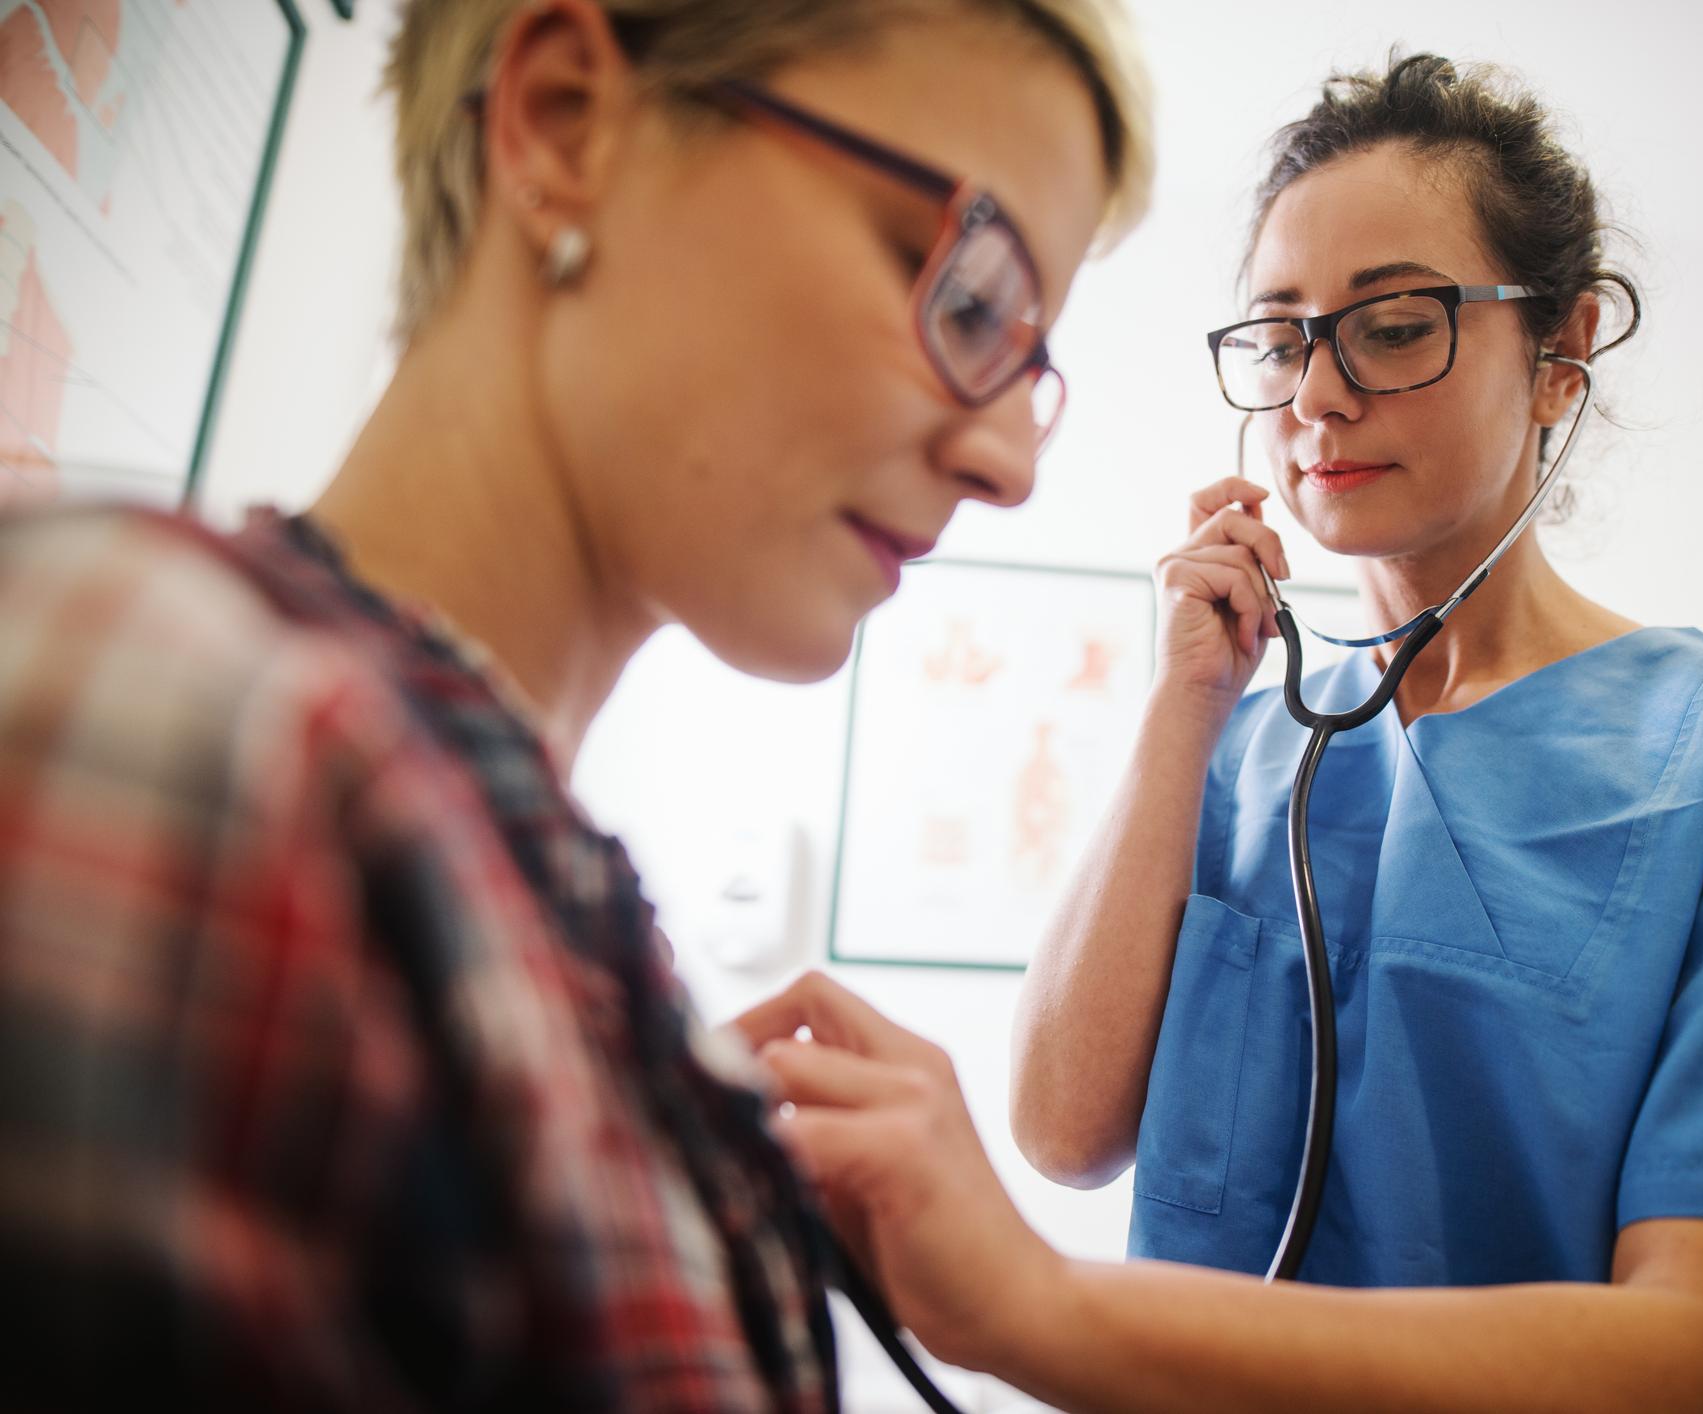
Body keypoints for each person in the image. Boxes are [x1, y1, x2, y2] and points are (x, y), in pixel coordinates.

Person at [739, 53, 1703, 1412]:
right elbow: (1065, 1131)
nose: (1315, 395)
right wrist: (1183, 704)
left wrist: (1043, 1310)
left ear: (1560, 355)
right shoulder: (1236, 756)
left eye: (1390, 325)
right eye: (1279, 337)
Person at [0, 0, 1149, 1406]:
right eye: (968, 297)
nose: (1009, 463)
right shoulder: (181, 717)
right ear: (565, 119)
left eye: (1034, 368)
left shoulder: (532, 901)